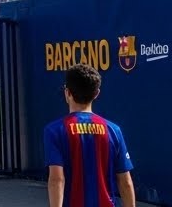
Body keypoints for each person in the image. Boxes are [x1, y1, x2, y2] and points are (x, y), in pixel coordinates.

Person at [44, 64, 135, 207]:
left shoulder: (55, 130)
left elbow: (57, 179)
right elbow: (125, 182)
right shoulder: (113, 130)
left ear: (67, 92)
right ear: (97, 93)